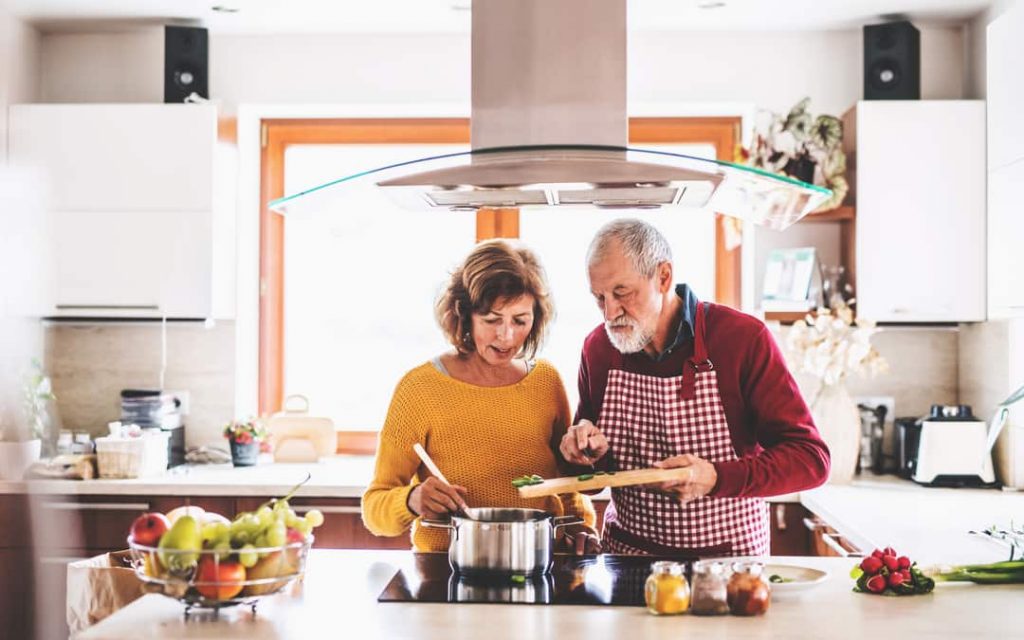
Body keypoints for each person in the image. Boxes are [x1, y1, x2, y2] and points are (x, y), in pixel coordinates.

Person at [560, 219, 830, 556]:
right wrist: (585, 454)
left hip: (729, 565)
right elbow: (588, 476)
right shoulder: (598, 349)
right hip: (628, 560)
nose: (610, 312)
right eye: (599, 297)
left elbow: (811, 460)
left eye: (622, 293)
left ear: (663, 276)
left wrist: (715, 477)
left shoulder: (742, 339)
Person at [363, 239, 599, 553]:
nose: (506, 336)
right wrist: (410, 500)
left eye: (520, 320)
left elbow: (566, 484)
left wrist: (581, 526)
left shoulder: (546, 381)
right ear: (464, 314)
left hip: (539, 561)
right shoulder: (419, 389)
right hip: (447, 570)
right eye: (491, 320)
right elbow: (375, 509)